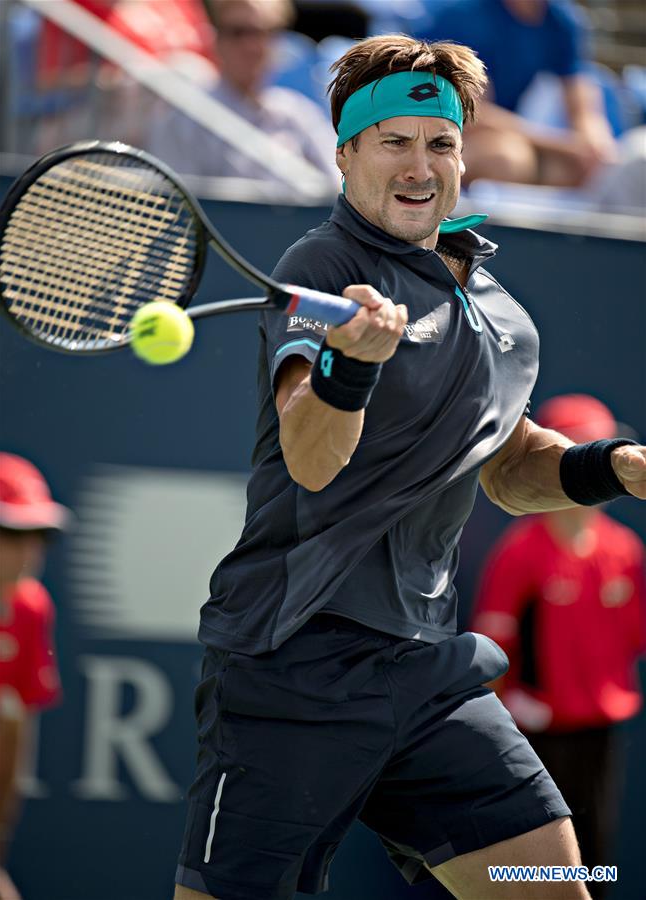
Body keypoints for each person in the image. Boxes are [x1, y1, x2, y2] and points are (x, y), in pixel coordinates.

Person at [173, 34, 646, 900]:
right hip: (294, 668)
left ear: (463, 154)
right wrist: (351, 366)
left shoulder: (500, 313)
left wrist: (617, 467)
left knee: (547, 885)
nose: (419, 165)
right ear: (346, 153)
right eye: (392, 140)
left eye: (439, 142)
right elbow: (310, 460)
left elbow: (507, 468)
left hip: (428, 678)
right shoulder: (321, 269)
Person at [471, 395, 646, 898]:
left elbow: (631, 638)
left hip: (600, 729)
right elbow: (493, 648)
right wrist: (514, 706)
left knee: (595, 860)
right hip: (533, 736)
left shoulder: (624, 551)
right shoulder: (519, 554)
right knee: (537, 864)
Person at [418, 0, 618, 188]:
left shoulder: (562, 20)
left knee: (582, 169)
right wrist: (565, 145)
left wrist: (594, 144)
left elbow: (583, 106)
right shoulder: (463, 16)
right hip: (439, 137)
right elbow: (470, 116)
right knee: (507, 160)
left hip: (514, 136)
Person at [146, 0, 339, 192]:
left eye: (264, 32)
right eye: (238, 32)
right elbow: (177, 202)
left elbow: (339, 184)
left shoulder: (297, 113)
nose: (251, 46)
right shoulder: (183, 117)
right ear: (216, 38)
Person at [0, 454, 68, 900]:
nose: (29, 553)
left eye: (37, 535)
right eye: (10, 534)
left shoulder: (31, 608)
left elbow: (12, 737)